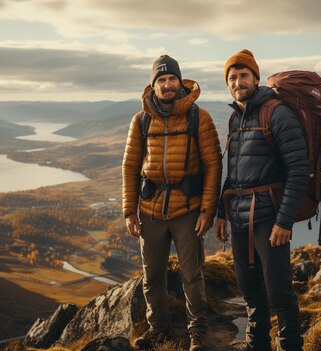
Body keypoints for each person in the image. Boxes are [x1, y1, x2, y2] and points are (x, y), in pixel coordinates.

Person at [122, 55, 222, 351]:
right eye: (161, 80)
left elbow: (213, 165)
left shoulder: (198, 117)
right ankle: (159, 330)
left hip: (187, 210)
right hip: (150, 209)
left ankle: (198, 332)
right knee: (152, 276)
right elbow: (129, 166)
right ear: (153, 85)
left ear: (180, 82)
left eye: (171, 79)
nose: (167, 85)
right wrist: (129, 211)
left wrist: (207, 209)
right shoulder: (140, 120)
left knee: (192, 274)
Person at [214, 49, 308, 351]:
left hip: (269, 217)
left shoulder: (276, 112)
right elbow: (234, 173)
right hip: (239, 217)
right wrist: (221, 213)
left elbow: (298, 170)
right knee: (251, 292)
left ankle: (290, 346)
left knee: (279, 292)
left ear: (255, 77)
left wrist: (284, 220)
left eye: (243, 75)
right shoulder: (234, 118)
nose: (238, 81)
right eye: (232, 77)